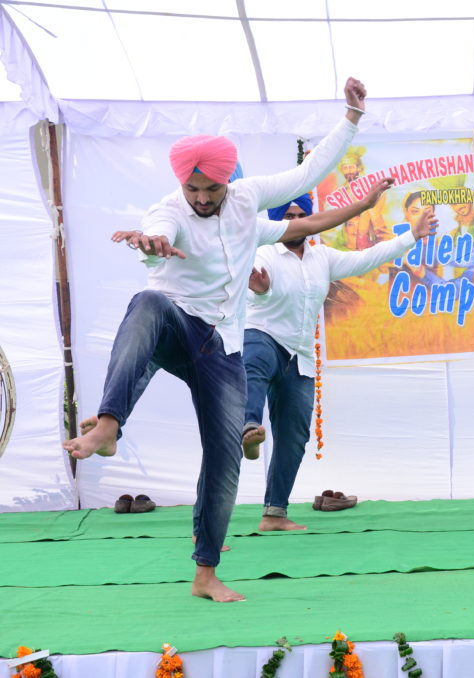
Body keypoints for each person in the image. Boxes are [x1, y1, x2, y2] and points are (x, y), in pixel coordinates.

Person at [62, 77, 377, 603]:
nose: (203, 200)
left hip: (221, 348)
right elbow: (158, 230)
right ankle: (110, 424)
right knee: (148, 303)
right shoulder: (169, 210)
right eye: (194, 191)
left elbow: (310, 175)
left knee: (224, 455)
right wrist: (153, 241)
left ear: (229, 182)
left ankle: (205, 572)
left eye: (212, 190)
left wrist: (351, 117)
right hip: (175, 326)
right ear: (181, 185)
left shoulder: (249, 205)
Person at [240, 194, 439, 531]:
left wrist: (412, 236)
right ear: (276, 220)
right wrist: (258, 291)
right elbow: (241, 288)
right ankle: (248, 428)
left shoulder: (322, 258)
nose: (297, 219)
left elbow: (366, 259)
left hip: (299, 356)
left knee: (294, 434)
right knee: (254, 364)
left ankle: (274, 514)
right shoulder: (262, 253)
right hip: (264, 336)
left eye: (303, 214)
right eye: (289, 215)